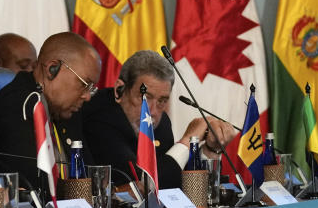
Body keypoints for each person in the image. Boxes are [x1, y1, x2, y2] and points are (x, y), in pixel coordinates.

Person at [82, 49, 237, 190]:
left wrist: (210, 150)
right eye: (145, 98)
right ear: (119, 90)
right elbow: (142, 186)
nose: (153, 112)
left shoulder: (161, 123)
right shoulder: (99, 116)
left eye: (162, 101)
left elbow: (175, 184)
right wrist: (187, 141)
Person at [0, 32, 100, 188]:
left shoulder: (66, 110)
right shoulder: (17, 106)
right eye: (84, 84)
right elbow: (36, 187)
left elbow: (89, 178)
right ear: (52, 69)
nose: (87, 96)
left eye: (91, 88)